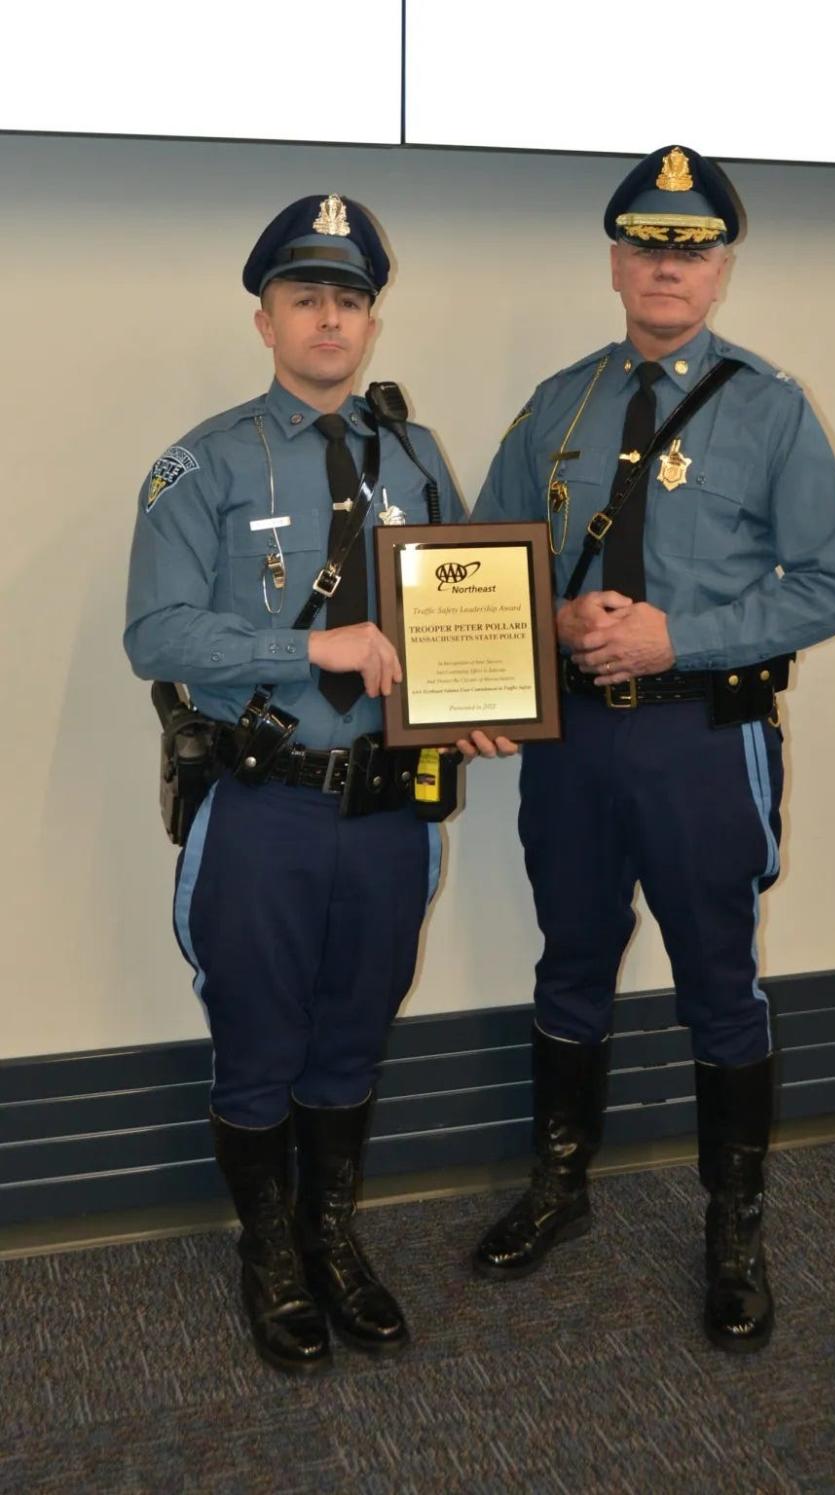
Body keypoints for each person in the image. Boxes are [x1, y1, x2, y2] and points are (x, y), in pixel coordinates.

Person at [470, 145, 835, 1352]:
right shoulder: (560, 404)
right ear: (614, 262)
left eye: (691, 252)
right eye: (647, 247)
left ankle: (733, 1226)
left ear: (722, 272)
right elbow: (478, 565)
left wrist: (675, 636)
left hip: (706, 742)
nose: (666, 269)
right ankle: (560, 1186)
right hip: (577, 748)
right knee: (570, 960)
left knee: (720, 983)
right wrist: (550, 620)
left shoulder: (771, 407)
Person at [125, 193, 494, 1376]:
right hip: (265, 806)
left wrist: (475, 699)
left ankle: (332, 1235)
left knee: (353, 1031)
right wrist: (307, 648)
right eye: (306, 297)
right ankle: (267, 1249)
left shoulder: (418, 453)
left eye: (350, 299)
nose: (330, 319)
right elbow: (158, 633)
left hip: (389, 809)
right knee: (258, 1037)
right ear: (265, 319)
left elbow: (455, 607)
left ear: (371, 323)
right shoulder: (205, 460)